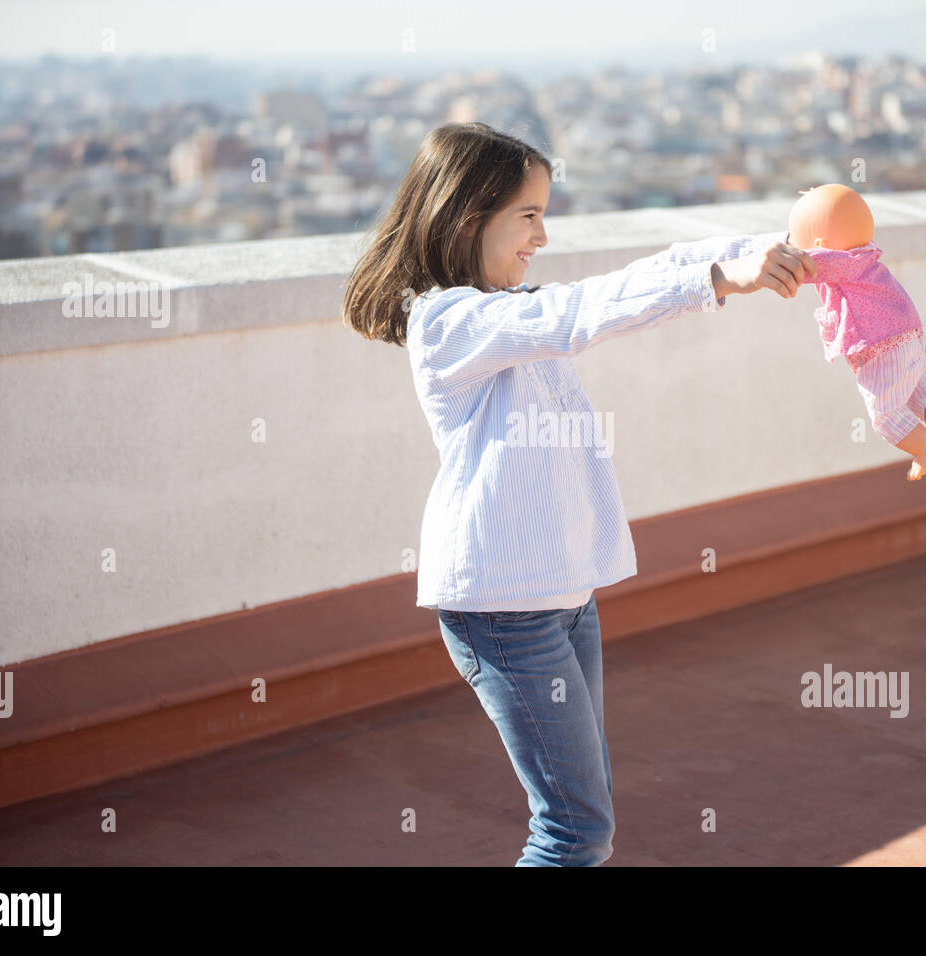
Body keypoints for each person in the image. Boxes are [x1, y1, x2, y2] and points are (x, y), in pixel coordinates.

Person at [342, 121, 815, 865]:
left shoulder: (504, 311)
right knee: (574, 832)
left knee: (579, 822)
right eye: (528, 216)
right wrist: (720, 280)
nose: (542, 236)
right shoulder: (450, 322)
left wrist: (766, 247)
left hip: (563, 597)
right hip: (502, 612)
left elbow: (630, 279)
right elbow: (580, 312)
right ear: (468, 218)